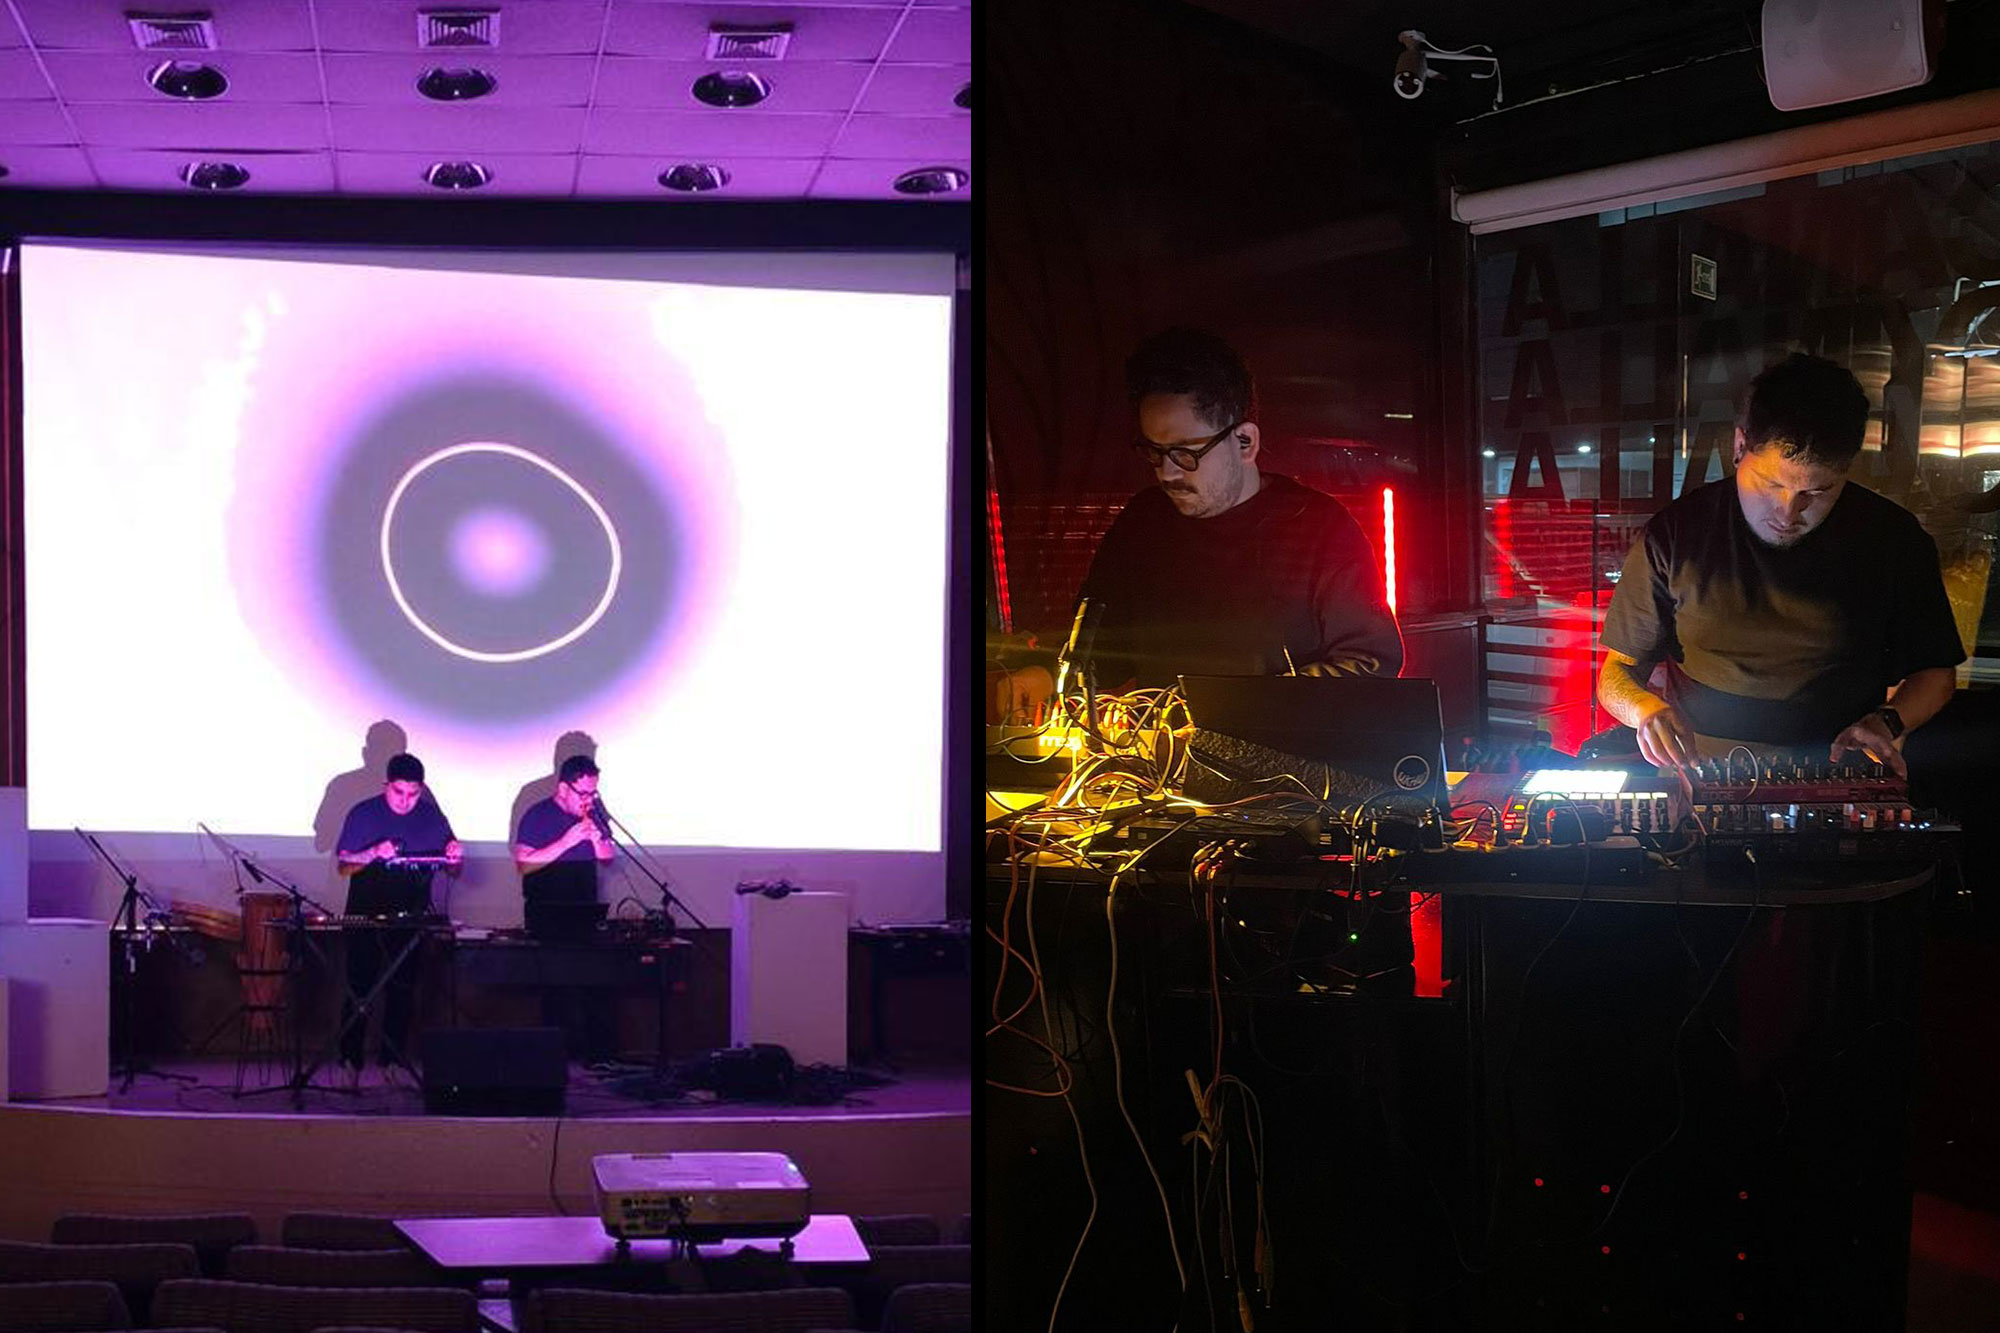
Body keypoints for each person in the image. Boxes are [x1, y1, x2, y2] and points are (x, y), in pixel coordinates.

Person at [1597, 352, 1964, 772]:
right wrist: (1645, 710)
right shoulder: (1675, 534)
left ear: (1847, 470)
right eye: (1770, 484)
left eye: (1817, 492)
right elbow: (1615, 674)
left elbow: (1936, 676)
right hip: (1697, 771)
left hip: (1835, 771)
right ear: (1739, 447)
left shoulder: (1895, 540)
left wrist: (1887, 722)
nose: (1788, 513)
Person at [1074, 327, 1404, 691]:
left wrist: (1246, 707)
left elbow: (1372, 661)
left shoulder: (1320, 529)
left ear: (1245, 441)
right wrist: (1042, 671)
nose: (1167, 472)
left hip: (1277, 731)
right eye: (1155, 451)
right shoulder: (1142, 524)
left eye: (1185, 452)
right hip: (1163, 731)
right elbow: (1097, 654)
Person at [333, 751, 462, 1073]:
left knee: (402, 989)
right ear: (386, 786)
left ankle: (392, 1060)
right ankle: (349, 1058)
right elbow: (344, 865)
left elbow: (454, 871)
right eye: (398, 792)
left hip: (410, 917)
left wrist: (454, 856)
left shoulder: (432, 816)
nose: (405, 801)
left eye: (413, 794)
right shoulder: (363, 813)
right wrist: (373, 852)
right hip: (365, 915)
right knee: (360, 986)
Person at [513, 753, 616, 1061]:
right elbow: (524, 864)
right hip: (547, 913)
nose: (588, 800)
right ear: (562, 788)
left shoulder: (594, 812)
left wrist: (597, 839)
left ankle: (596, 1057)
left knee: (594, 984)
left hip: (584, 909)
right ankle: (555, 1058)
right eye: (583, 793)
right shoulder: (537, 814)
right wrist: (566, 842)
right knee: (556, 989)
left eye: (593, 793)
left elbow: (607, 857)